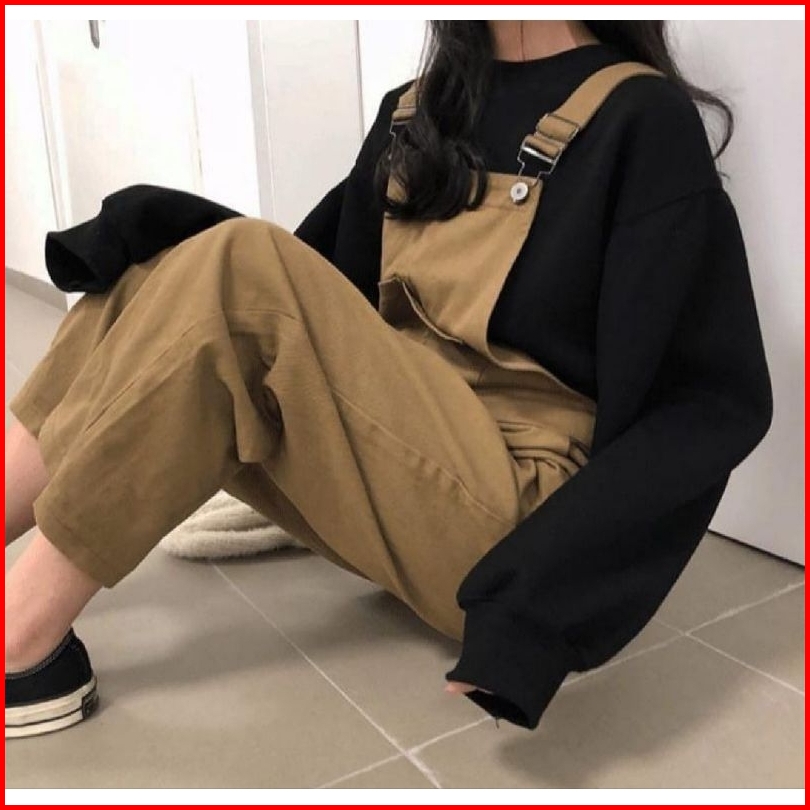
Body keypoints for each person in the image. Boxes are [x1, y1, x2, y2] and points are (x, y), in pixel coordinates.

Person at [5, 20, 773, 738]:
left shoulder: (641, 118)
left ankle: (22, 645)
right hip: (406, 467)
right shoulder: (418, 111)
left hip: (512, 515)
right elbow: (312, 293)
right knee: (153, 274)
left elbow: (703, 401)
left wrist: (533, 610)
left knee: (240, 271)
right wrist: (152, 246)